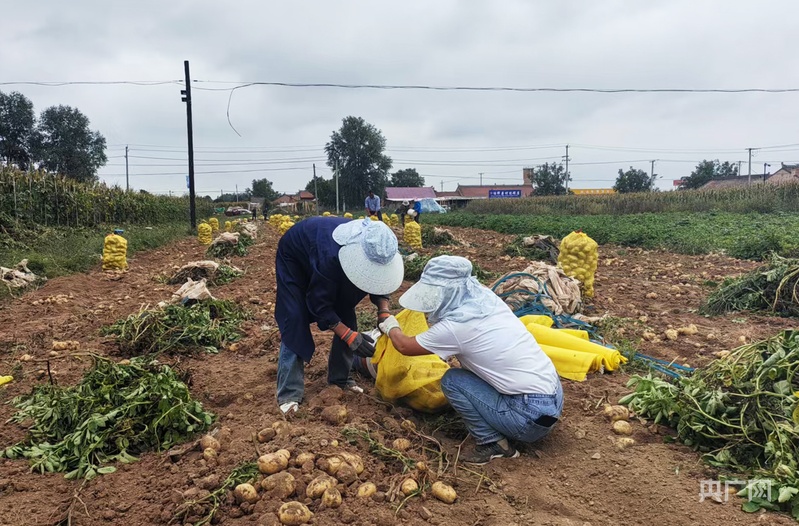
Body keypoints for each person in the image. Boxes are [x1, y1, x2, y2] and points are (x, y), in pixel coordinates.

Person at [378, 255, 562, 465]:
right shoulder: (483, 297)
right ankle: (505, 420)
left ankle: (493, 444)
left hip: (529, 418)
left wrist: (390, 324)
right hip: (553, 395)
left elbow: (404, 346)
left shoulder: (456, 327)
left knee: (453, 380)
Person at [274, 217, 403, 415]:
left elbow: (379, 281)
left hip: (327, 256)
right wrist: (349, 336)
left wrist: (383, 312)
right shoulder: (330, 256)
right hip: (295, 256)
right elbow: (319, 304)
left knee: (346, 314)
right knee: (295, 318)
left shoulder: (382, 248)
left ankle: (340, 379)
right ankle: (289, 392)